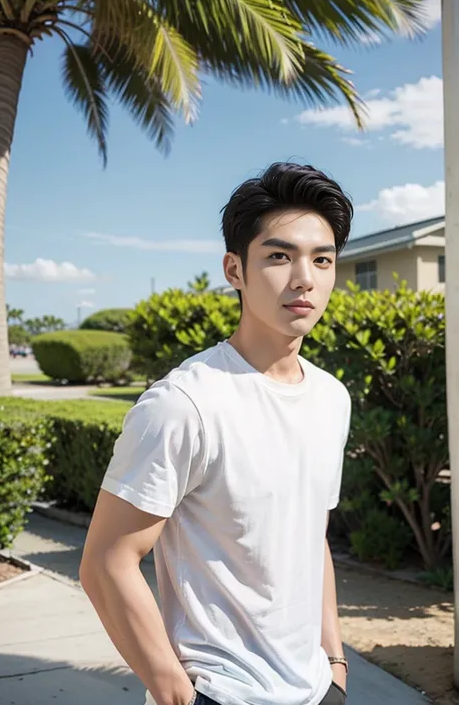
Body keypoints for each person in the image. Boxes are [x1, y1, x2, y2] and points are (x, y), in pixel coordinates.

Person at [80, 162, 353, 705]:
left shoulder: (331, 398)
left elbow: (310, 533)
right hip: (221, 692)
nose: (304, 277)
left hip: (317, 689)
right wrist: (175, 692)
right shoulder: (184, 404)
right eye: (279, 256)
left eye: (322, 260)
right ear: (234, 270)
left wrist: (335, 663)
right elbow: (106, 562)